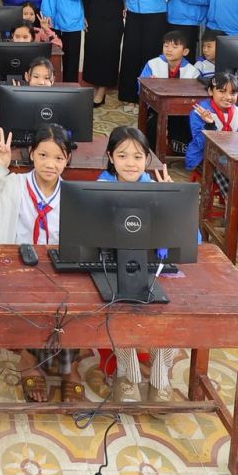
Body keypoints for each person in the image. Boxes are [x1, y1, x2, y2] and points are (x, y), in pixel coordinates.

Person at [0, 124, 81, 403]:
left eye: (58, 158)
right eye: (43, 155)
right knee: (36, 299)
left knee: (75, 299)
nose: (50, 164)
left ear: (67, 160)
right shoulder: (13, 184)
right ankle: (29, 360)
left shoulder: (74, 194)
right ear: (31, 153)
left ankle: (70, 367)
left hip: (56, 269)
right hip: (17, 268)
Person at [94, 126, 179, 402]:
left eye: (138, 156)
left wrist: (171, 202)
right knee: (120, 304)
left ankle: (161, 377)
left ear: (147, 159)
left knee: (171, 307)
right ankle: (127, 374)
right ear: (110, 157)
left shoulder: (157, 188)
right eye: (122, 155)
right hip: (113, 266)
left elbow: (191, 239)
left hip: (155, 266)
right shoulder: (99, 188)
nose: (130, 163)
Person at [188, 71, 238, 234]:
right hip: (203, 157)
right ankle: (232, 214)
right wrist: (210, 125)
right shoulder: (200, 112)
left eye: (233, 93)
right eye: (222, 91)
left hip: (233, 157)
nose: (228, 97)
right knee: (223, 166)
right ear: (210, 91)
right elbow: (202, 144)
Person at [82, 0, 127, 108]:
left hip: (111, 18)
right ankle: (94, 87)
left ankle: (102, 91)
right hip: (93, 15)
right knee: (93, 52)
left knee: (108, 54)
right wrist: (84, 15)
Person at [139, 29, 197, 151]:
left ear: (185, 51)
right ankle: (150, 152)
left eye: (174, 47)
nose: (169, 50)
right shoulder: (153, 64)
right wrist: (150, 86)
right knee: (153, 124)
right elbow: (140, 88)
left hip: (181, 111)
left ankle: (179, 150)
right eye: (166, 46)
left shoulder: (192, 71)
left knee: (185, 123)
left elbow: (195, 96)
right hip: (156, 108)